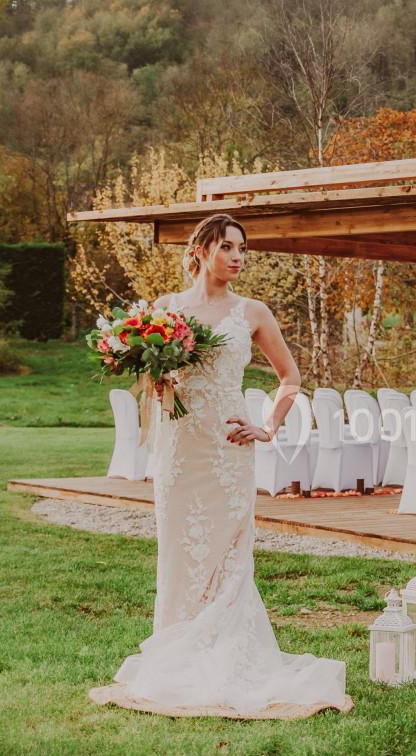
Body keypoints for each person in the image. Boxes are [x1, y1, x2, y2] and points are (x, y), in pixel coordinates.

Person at [90, 213, 350, 719]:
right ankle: (178, 657)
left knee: (229, 558)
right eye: (228, 247)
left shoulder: (252, 312)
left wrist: (268, 426)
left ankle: (231, 659)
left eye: (242, 249)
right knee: (180, 554)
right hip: (179, 452)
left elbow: (290, 377)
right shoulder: (166, 311)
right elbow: (152, 380)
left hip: (229, 453)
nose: (238, 257)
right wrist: (157, 381)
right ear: (202, 249)